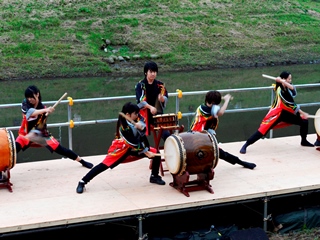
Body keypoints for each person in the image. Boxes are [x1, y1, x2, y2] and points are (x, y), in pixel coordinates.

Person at [76, 102, 165, 194]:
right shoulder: (123, 127)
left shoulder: (136, 117)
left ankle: (154, 176)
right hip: (121, 147)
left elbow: (143, 128)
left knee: (156, 153)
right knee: (104, 165)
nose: (137, 115)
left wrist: (141, 126)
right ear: (128, 115)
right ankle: (83, 182)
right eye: (135, 114)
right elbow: (132, 142)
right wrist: (146, 152)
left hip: (137, 147)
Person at [15, 85, 93, 169]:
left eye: (31, 97)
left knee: (60, 149)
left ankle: (82, 161)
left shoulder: (43, 108)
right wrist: (45, 110)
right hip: (25, 133)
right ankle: (3, 169)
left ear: (37, 94)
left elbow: (41, 125)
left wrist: (36, 133)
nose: (29, 99)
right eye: (28, 97)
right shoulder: (25, 103)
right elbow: (29, 113)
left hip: (39, 132)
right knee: (13, 150)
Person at [240, 71, 314, 154]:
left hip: (286, 113)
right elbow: (291, 105)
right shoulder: (280, 90)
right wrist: (303, 113)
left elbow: (293, 89)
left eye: (290, 79)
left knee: (304, 121)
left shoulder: (287, 88)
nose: (290, 80)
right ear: (283, 79)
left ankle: (304, 141)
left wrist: (283, 81)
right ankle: (246, 145)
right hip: (277, 113)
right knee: (262, 130)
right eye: (288, 79)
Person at [190, 90, 256, 170]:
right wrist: (227, 100)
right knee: (221, 153)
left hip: (197, 135)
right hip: (198, 138)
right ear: (213, 103)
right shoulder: (208, 110)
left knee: (219, 153)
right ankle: (242, 162)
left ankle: (241, 162)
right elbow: (220, 113)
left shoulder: (202, 107)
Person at [135, 61, 170, 140]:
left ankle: (169, 148)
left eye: (154, 72)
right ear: (145, 73)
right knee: (139, 133)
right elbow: (141, 100)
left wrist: (162, 99)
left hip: (157, 115)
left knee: (166, 134)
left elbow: (165, 96)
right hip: (143, 116)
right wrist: (150, 107)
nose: (153, 74)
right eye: (151, 72)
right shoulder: (140, 85)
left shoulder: (160, 85)